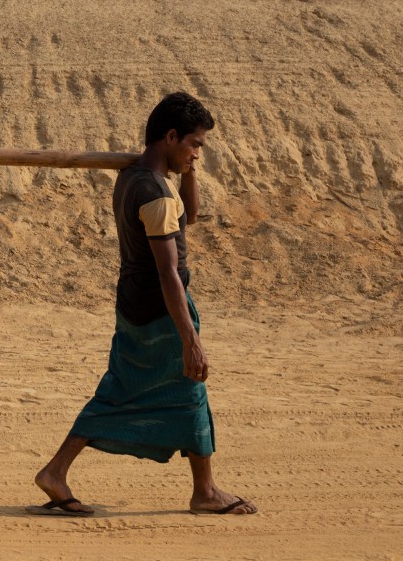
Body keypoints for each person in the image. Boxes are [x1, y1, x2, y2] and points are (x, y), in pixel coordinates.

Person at [30, 92, 257, 517]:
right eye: (194, 145)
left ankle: (56, 471)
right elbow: (168, 272)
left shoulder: (135, 177)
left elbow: (187, 216)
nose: (196, 153)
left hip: (133, 300)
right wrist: (189, 337)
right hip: (160, 311)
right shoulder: (154, 194)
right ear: (170, 136)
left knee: (121, 388)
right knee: (190, 390)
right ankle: (204, 492)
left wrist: (188, 171)